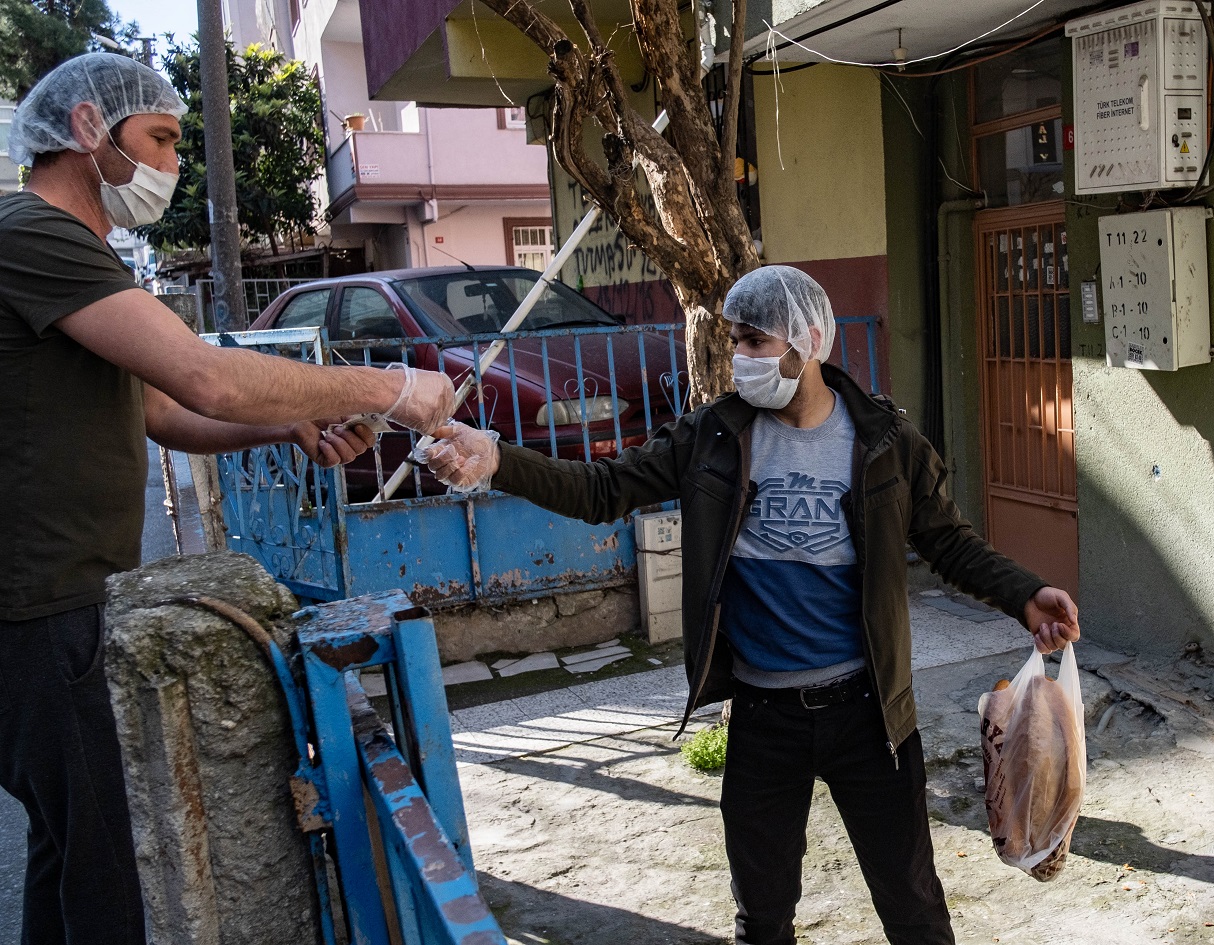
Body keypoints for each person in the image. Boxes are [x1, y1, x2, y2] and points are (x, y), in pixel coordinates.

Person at [423, 265, 1082, 945]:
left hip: (870, 714)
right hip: (765, 719)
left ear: (810, 340)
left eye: (754, 340)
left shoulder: (885, 441)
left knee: (914, 907)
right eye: (734, 339)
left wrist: (1024, 594)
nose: (738, 355)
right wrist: (498, 456)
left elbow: (948, 542)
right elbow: (603, 488)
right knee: (761, 919)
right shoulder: (714, 436)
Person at [0, 53, 457, 945]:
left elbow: (164, 410)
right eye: (160, 139)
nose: (171, 163)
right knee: (103, 869)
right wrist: (382, 390)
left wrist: (282, 426)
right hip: (38, 605)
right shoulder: (31, 231)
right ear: (89, 129)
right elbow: (206, 376)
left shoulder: (83, 254)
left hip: (68, 600)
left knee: (69, 848)